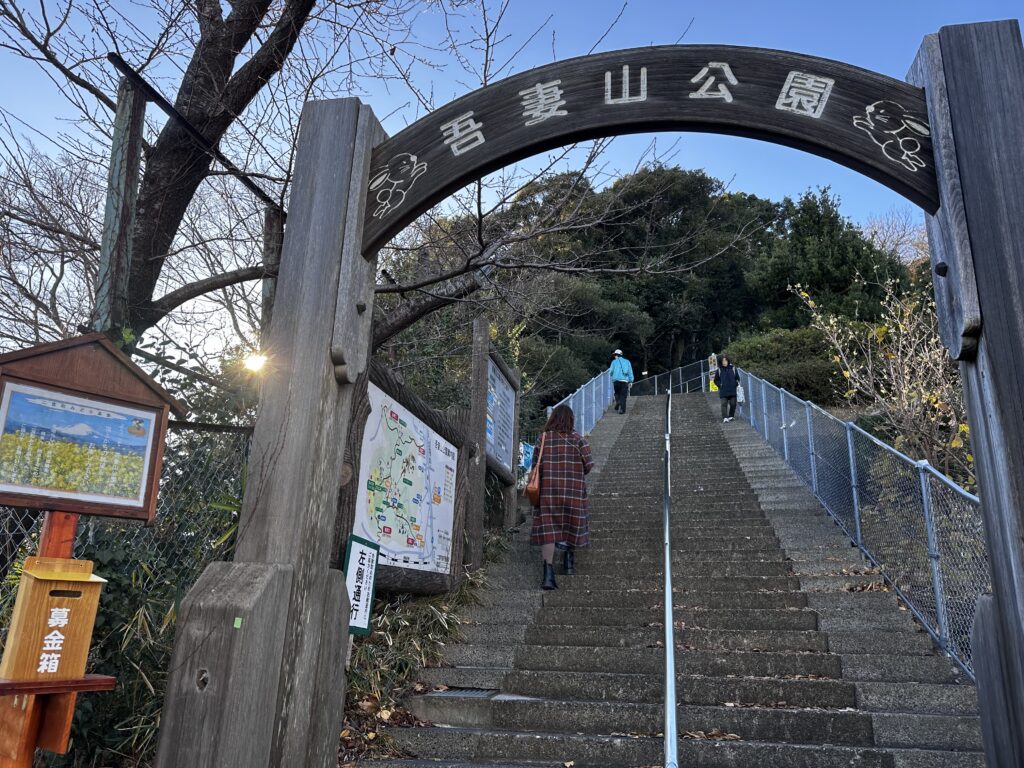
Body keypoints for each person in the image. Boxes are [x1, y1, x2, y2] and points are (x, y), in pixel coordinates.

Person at [530, 404, 594, 589]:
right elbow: (588, 465)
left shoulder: (543, 439)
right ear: (571, 420)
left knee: (549, 531)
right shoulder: (579, 440)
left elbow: (535, 464)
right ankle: (568, 564)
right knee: (571, 525)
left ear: (553, 419)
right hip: (573, 492)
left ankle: (548, 575)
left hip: (549, 492)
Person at [714, 354, 741, 422]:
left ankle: (731, 416)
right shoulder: (719, 370)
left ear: (728, 361)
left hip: (732, 390)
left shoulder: (733, 368)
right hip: (723, 390)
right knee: (724, 404)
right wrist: (720, 385)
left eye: (725, 360)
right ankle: (725, 417)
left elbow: (737, 378)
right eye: (723, 361)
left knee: (733, 403)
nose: (724, 362)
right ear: (720, 362)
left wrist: (735, 384)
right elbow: (715, 380)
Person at [609, 349, 634, 414]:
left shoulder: (614, 362)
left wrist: (612, 374)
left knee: (617, 393)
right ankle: (622, 410)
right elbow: (630, 372)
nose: (614, 356)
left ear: (617, 355)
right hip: (624, 381)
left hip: (616, 381)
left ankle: (618, 401)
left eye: (615, 355)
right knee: (623, 395)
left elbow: (610, 371)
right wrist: (631, 381)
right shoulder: (627, 362)